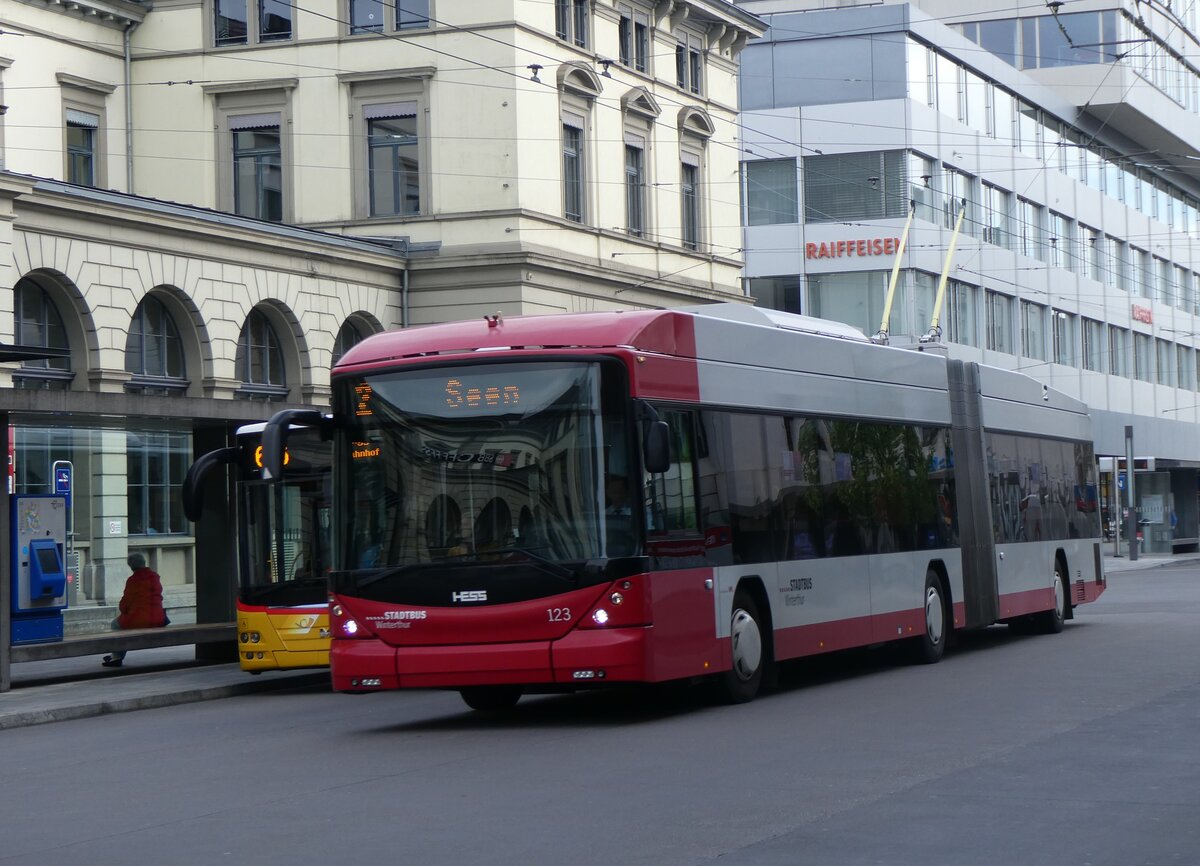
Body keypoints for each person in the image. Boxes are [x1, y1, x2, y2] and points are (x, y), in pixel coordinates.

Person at [101, 553, 169, 668]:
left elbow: (125, 603)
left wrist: (124, 611)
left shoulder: (133, 580)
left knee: (116, 625)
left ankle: (117, 657)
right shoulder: (155, 577)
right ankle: (115, 656)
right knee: (123, 624)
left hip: (140, 619)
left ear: (131, 566)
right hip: (158, 618)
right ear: (144, 563)